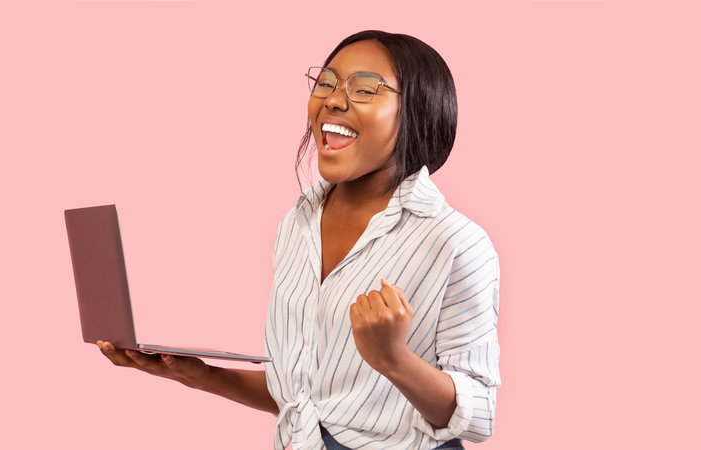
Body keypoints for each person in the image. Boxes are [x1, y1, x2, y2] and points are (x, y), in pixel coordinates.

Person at [97, 30, 500, 450]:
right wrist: (199, 375)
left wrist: (393, 360)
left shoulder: (455, 243)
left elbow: (479, 416)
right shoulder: (297, 224)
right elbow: (305, 400)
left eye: (364, 89)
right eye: (325, 83)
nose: (334, 100)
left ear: (418, 111)